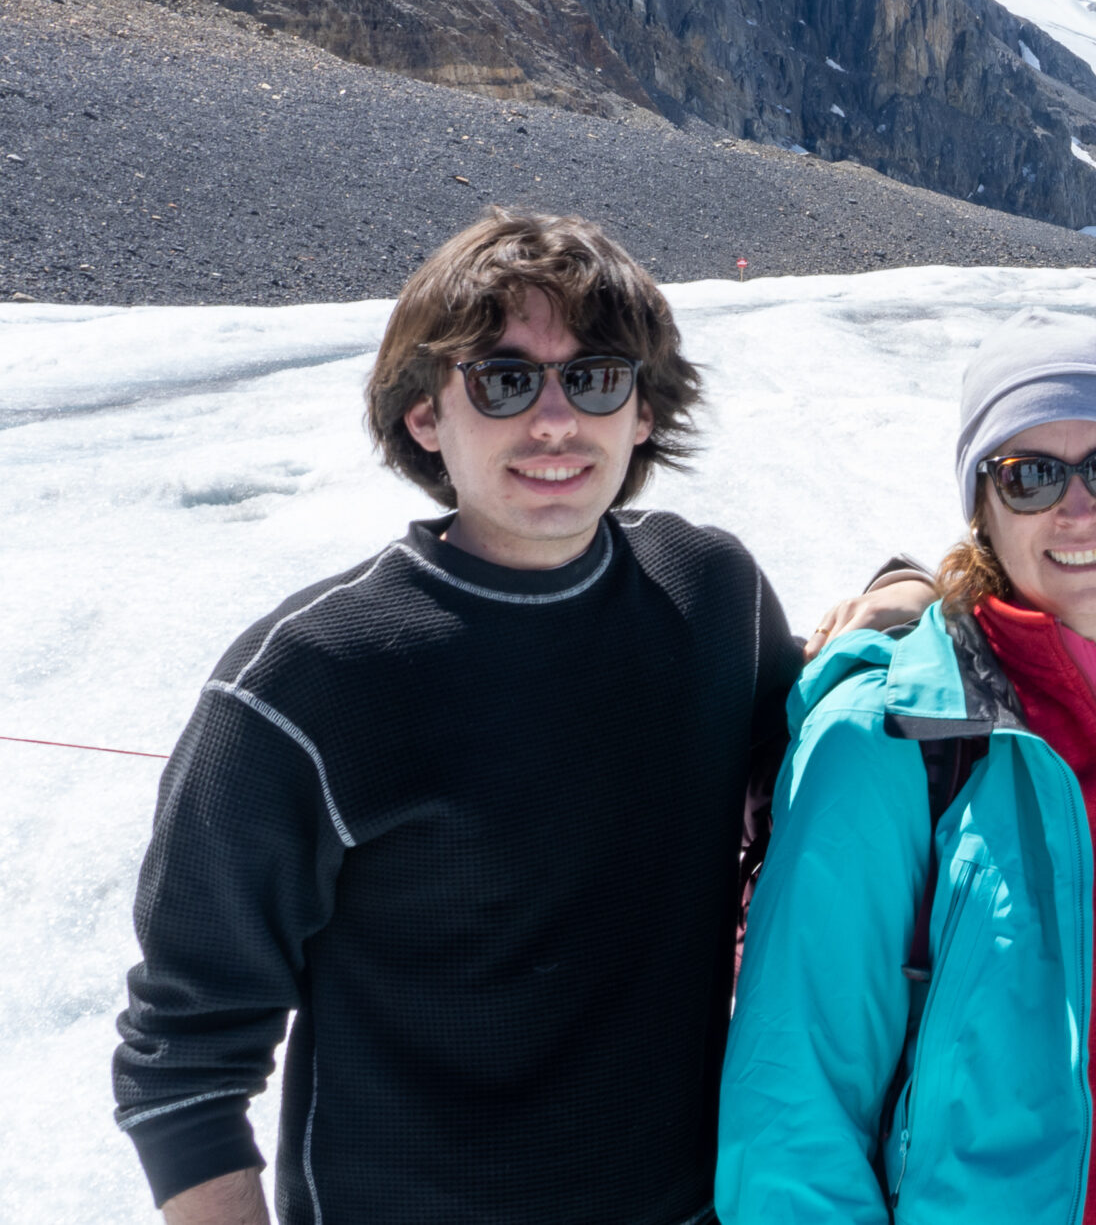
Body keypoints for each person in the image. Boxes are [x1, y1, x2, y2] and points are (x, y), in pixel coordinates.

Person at [112, 209, 804, 1225]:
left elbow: (801, 792)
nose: (556, 422)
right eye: (504, 380)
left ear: (644, 411)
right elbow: (184, 1056)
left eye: (597, 377)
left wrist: (893, 605)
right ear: (425, 415)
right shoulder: (308, 681)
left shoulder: (714, 597)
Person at [716, 309, 1096, 1225]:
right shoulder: (894, 738)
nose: (1079, 509)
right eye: (1032, 476)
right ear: (982, 508)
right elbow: (792, 1114)